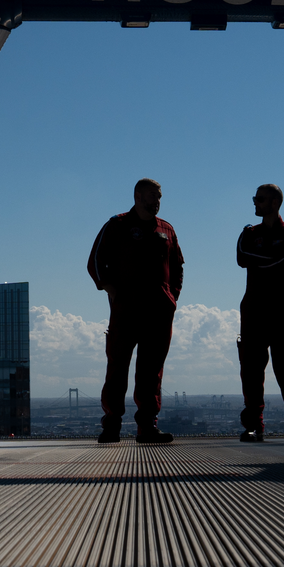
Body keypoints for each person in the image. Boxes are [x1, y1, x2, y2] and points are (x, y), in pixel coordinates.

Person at [86, 177, 183, 444]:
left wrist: (172, 297)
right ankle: (112, 426)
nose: (157, 202)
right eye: (153, 196)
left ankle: (147, 427)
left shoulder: (167, 230)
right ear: (138, 196)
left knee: (152, 371)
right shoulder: (117, 225)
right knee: (117, 368)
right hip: (126, 311)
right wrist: (111, 289)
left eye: (160, 197)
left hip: (159, 313)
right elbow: (95, 261)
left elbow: (178, 267)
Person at [235, 184, 284, 442]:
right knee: (252, 368)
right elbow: (242, 256)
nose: (255, 202)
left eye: (261, 199)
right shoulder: (249, 233)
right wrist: (269, 258)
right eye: (255, 198)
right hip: (254, 310)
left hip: (282, 310)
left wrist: (261, 259)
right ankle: (253, 424)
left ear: (275, 202)